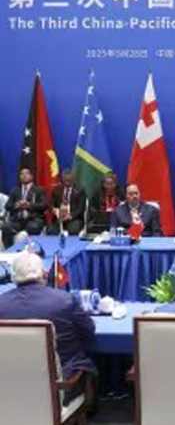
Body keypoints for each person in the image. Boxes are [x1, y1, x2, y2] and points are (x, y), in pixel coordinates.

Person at [0, 250, 97, 404]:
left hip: (8, 388)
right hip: (60, 387)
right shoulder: (64, 300)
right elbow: (89, 331)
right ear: (44, 274)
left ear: (13, 277)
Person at [2, 167, 47, 249]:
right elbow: (7, 206)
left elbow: (44, 205)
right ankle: (9, 250)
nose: (24, 175)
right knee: (5, 227)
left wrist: (29, 205)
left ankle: (30, 250)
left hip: (33, 219)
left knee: (32, 227)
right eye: (22, 174)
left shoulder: (39, 190)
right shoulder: (15, 190)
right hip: (17, 220)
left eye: (26, 173)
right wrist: (17, 205)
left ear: (31, 176)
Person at [48, 169, 87, 236]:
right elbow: (50, 204)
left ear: (73, 179)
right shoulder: (56, 189)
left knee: (73, 230)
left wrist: (70, 216)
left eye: (69, 180)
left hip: (74, 219)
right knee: (50, 231)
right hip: (59, 218)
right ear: (62, 179)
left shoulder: (80, 190)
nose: (67, 182)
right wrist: (54, 210)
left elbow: (81, 208)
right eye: (65, 180)